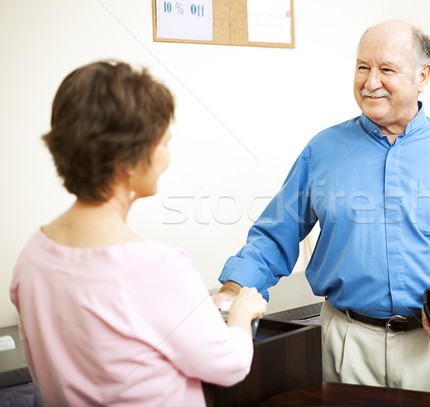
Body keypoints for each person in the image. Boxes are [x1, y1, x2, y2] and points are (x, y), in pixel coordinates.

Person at [214, 20, 430, 397]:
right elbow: (276, 234)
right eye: (362, 67)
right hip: (346, 343)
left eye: (386, 69)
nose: (370, 81)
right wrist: (232, 290)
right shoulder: (323, 149)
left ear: (422, 76)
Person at [10, 60, 267, 406]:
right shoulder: (156, 268)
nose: (166, 157)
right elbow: (228, 365)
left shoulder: (33, 255)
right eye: (163, 143)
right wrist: (241, 313)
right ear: (129, 162)